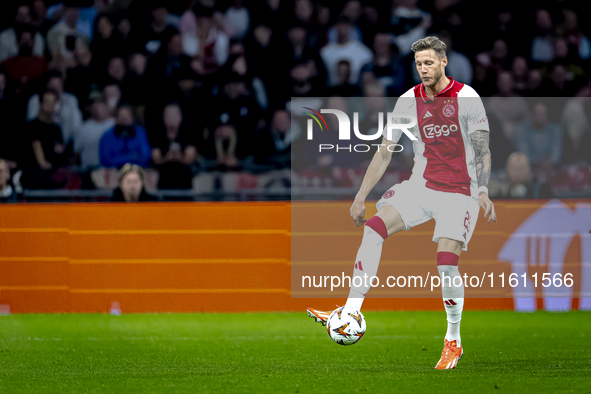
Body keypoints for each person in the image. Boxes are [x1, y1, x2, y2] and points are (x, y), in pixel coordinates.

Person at [307, 36, 496, 371]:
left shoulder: (467, 97)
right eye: (419, 63)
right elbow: (384, 150)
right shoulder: (408, 100)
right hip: (421, 186)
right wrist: (360, 196)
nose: (423, 69)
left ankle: (453, 340)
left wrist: (482, 190)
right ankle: (351, 309)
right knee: (373, 230)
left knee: (446, 263)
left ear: (443, 62)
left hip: (460, 192)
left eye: (429, 62)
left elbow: (482, 148)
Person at [99, 104, 151, 168]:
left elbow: (145, 157)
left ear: (132, 119)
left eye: (126, 119)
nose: (124, 123)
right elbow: (106, 160)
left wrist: (118, 158)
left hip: (137, 170)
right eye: (121, 119)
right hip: (114, 171)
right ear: (116, 119)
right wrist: (131, 157)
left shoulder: (141, 133)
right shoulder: (107, 136)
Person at [74, 91, 116, 169]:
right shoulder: (83, 128)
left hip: (113, 170)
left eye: (100, 101)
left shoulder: (116, 124)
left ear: (107, 105)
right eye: (93, 102)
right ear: (89, 107)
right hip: (89, 171)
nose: (97, 105)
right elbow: (76, 154)